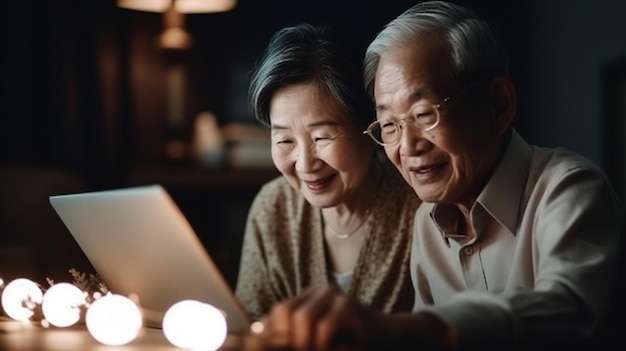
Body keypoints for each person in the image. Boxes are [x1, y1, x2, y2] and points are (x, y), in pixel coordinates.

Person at [255, 1, 625, 350]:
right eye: (389, 125)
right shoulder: (428, 223)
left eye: (423, 114)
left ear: (498, 105)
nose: (407, 146)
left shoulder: (568, 188)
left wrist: (402, 328)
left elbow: (570, 307)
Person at [235, 23, 422, 321]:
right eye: (284, 140)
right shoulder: (274, 208)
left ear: (370, 127)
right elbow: (247, 327)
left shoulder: (419, 208)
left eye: (322, 137)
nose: (305, 164)